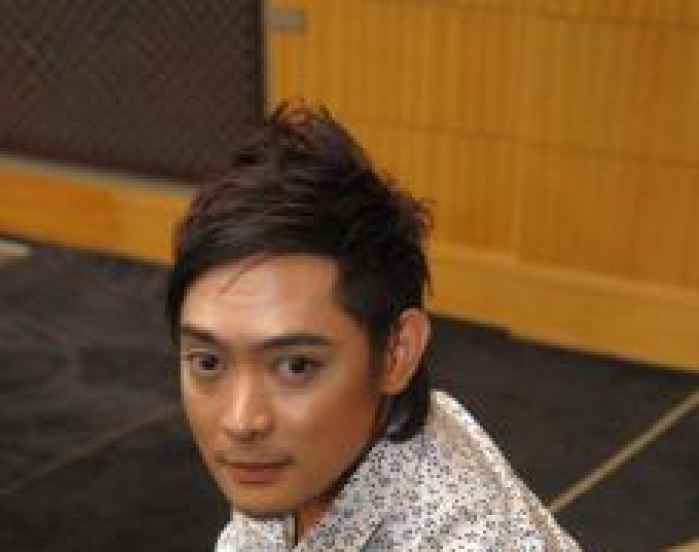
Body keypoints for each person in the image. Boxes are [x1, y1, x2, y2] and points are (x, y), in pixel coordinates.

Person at [165, 102, 580, 550]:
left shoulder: (466, 538)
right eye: (208, 362)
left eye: (297, 366)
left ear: (397, 353)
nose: (240, 421)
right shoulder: (298, 459)